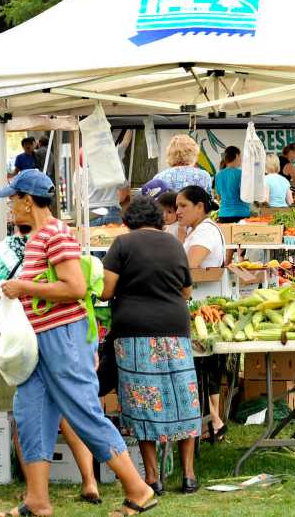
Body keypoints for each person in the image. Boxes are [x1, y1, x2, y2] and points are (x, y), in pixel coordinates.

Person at [0, 170, 155, 517]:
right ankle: (37, 500)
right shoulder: (38, 236)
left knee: (83, 412)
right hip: (41, 341)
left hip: (63, 337)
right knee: (30, 413)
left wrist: (23, 288)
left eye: (13, 199)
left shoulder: (55, 234)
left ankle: (138, 489)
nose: (10, 206)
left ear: (27, 200)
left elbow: (75, 287)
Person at [0, 227, 103, 505]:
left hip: (15, 334)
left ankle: (35, 490)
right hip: (56, 328)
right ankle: (89, 481)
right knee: (70, 408)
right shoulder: (58, 245)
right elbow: (81, 293)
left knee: (24, 411)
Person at [102, 197, 200, 494]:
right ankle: (189, 475)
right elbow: (186, 290)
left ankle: (153, 477)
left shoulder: (122, 244)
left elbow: (106, 291)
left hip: (134, 332)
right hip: (175, 328)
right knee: (184, 398)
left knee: (142, 401)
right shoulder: (174, 245)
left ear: (129, 219)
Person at [175, 185, 228, 442]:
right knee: (205, 369)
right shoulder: (198, 231)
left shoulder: (205, 232)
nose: (178, 211)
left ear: (200, 206)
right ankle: (213, 421)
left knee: (202, 368)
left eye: (183, 206)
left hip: (202, 309)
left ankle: (213, 421)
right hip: (200, 307)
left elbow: (187, 267)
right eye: (176, 207)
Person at [214, 146, 251, 223]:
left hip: (224, 215)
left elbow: (219, 196)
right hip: (241, 214)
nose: (241, 159)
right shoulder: (242, 174)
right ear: (237, 156)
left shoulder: (218, 175)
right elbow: (247, 195)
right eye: (240, 156)